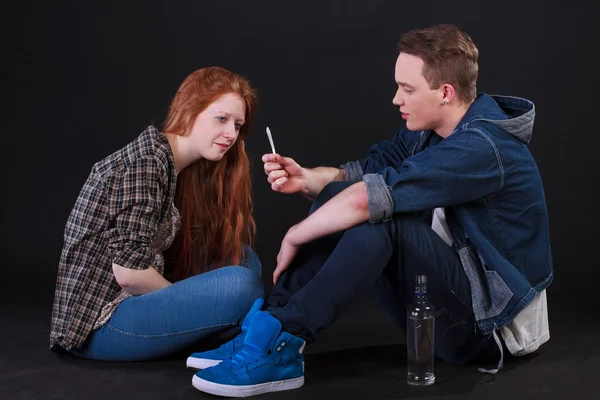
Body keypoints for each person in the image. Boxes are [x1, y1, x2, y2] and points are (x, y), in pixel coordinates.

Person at [190, 24, 553, 397]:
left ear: (445, 92)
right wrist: (308, 179)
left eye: (407, 89)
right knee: (339, 193)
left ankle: (284, 344)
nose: (397, 99)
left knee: (382, 221)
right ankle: (266, 329)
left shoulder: (483, 147)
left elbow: (370, 199)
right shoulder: (429, 132)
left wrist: (296, 234)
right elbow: (362, 175)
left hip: (490, 329)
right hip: (442, 300)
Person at [50, 66, 265, 361]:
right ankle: (242, 340)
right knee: (242, 285)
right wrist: (181, 298)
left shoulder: (169, 162)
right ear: (191, 111)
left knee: (242, 258)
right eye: (221, 119)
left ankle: (228, 338)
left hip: (132, 302)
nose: (230, 134)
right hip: (99, 324)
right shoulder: (146, 163)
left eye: (237, 125)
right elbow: (129, 274)